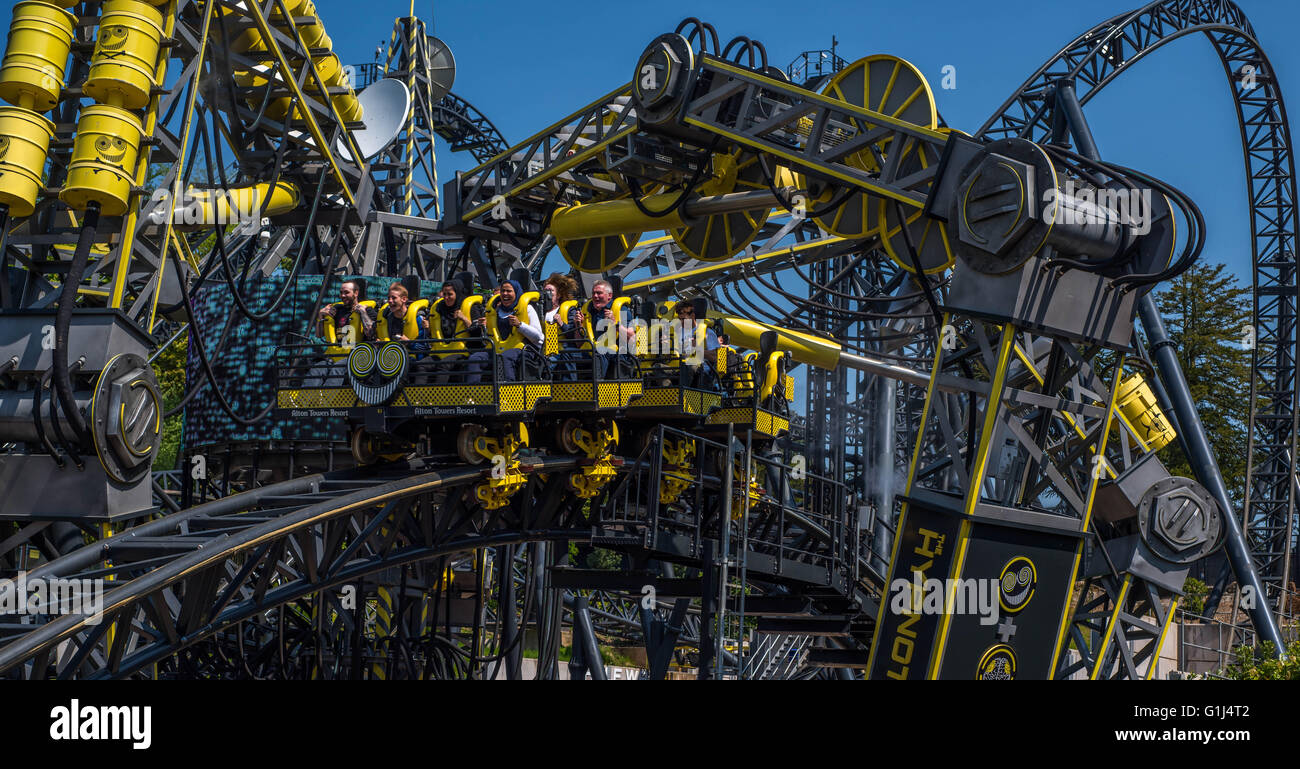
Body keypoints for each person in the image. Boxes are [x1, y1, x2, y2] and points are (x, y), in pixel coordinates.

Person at [473, 279, 543, 381]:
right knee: (475, 358)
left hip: (524, 349)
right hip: (498, 348)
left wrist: (520, 325)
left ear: (516, 292)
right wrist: (483, 328)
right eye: (503, 291)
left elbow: (539, 338)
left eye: (509, 291)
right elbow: (487, 339)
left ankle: (508, 392)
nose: (505, 294)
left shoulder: (527, 309)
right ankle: (472, 393)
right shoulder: (494, 311)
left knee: (505, 357)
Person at [430, 278, 485, 383]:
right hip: (443, 350)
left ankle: (437, 397)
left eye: (450, 294)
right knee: (421, 365)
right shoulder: (439, 309)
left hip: (465, 350)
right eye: (444, 294)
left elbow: (478, 334)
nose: (446, 297)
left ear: (457, 293)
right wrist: (427, 327)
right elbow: (432, 335)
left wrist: (464, 318)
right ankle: (418, 398)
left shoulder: (470, 307)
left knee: (444, 365)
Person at [585, 279, 635, 380]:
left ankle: (597, 386)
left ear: (609, 296)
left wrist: (615, 323)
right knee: (568, 353)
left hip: (618, 353)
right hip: (593, 349)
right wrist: (579, 324)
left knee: (601, 350)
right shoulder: (589, 311)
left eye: (599, 293)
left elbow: (631, 336)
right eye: (593, 293)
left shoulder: (621, 310)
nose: (595, 296)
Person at [543, 273, 584, 380]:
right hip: (544, 349)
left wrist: (561, 323)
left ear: (559, 295)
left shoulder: (567, 310)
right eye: (545, 291)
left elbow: (573, 336)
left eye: (551, 291)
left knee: (549, 363)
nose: (548, 293)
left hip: (561, 348)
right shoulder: (541, 311)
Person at [671, 301, 719, 389]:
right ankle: (671, 393)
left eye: (684, 319)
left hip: (701, 372)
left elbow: (715, 356)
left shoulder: (707, 333)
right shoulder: (676, 333)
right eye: (680, 319)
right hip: (679, 367)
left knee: (688, 364)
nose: (681, 322)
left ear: (692, 316)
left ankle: (683, 394)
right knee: (658, 367)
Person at [317, 279, 377, 344]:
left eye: (346, 292)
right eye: (341, 292)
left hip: (358, 352)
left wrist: (363, 313)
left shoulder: (367, 310)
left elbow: (371, 334)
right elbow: (319, 335)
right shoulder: (336, 310)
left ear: (356, 293)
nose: (343, 295)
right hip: (336, 351)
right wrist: (320, 316)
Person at [381, 282, 430, 357]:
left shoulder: (418, 319)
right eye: (389, 298)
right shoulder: (387, 319)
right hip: (392, 360)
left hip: (413, 361)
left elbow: (425, 348)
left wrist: (409, 343)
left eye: (394, 298)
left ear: (404, 299)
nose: (390, 301)